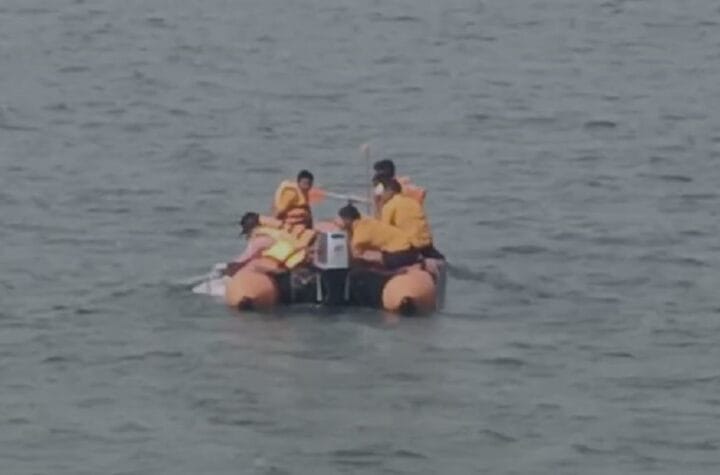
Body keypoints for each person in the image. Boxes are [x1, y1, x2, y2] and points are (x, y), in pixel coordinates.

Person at [337, 204, 421, 270]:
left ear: (348, 220)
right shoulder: (365, 220)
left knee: (362, 260)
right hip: (409, 246)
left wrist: (346, 232)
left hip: (402, 253)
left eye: (341, 219)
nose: (339, 222)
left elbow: (353, 257)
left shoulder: (360, 236)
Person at [378, 178, 445, 260]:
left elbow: (383, 232)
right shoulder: (413, 202)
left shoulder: (389, 206)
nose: (380, 197)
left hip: (410, 247)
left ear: (390, 191)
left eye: (381, 193)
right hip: (427, 246)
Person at [228, 212, 315, 274]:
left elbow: (245, 257)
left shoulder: (260, 238)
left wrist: (229, 268)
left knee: (255, 267)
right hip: (301, 257)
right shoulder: (275, 232)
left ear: (250, 229)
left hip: (292, 264)